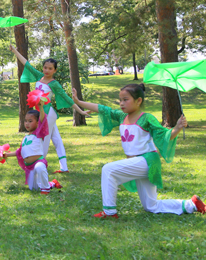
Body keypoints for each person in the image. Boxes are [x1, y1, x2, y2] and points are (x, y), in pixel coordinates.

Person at [71, 84, 205, 218]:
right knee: (151, 206)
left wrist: (177, 128)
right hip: (137, 164)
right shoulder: (121, 116)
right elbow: (101, 108)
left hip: (147, 161)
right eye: (120, 100)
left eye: (125, 99)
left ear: (138, 100)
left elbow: (163, 135)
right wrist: (78, 102)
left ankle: (110, 212)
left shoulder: (146, 118)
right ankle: (191, 204)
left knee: (108, 170)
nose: (121, 103)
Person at [10, 46, 91, 173]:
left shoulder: (54, 84)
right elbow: (26, 63)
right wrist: (15, 51)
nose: (47, 70)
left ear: (55, 70)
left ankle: (40, 166)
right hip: (41, 113)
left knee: (44, 140)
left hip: (47, 114)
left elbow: (67, 98)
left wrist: (81, 111)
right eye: (45, 67)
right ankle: (64, 167)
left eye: (50, 68)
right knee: (57, 139)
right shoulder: (38, 76)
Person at [3, 105, 63, 194]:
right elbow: (20, 151)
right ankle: (52, 183)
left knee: (39, 168)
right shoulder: (25, 138)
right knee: (33, 188)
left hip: (39, 162)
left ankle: (46, 189)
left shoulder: (38, 133)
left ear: (38, 123)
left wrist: (41, 108)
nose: (27, 123)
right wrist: (7, 155)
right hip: (29, 166)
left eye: (30, 121)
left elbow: (43, 121)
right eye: (26, 121)